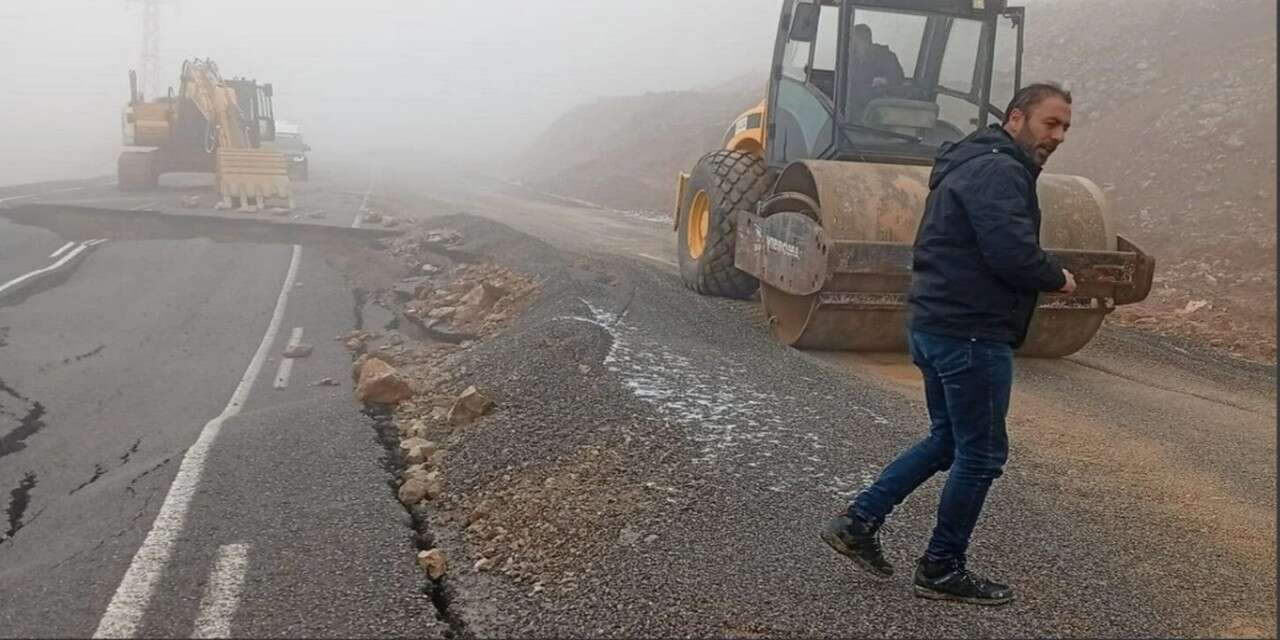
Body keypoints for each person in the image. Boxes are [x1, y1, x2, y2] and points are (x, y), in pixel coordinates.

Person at [821, 83, 1079, 606]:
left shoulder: (972, 161)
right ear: (1016, 118)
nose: (1058, 136)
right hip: (970, 332)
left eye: (1066, 127)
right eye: (1050, 123)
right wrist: (1057, 277)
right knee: (981, 456)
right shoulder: (999, 171)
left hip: (937, 323)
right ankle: (941, 566)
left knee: (948, 441)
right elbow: (1011, 253)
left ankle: (858, 522)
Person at [848, 24, 906, 116]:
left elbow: (899, 79)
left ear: (864, 40)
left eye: (853, 41)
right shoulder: (849, 59)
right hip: (852, 107)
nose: (850, 44)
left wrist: (884, 81)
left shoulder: (885, 56)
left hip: (878, 108)